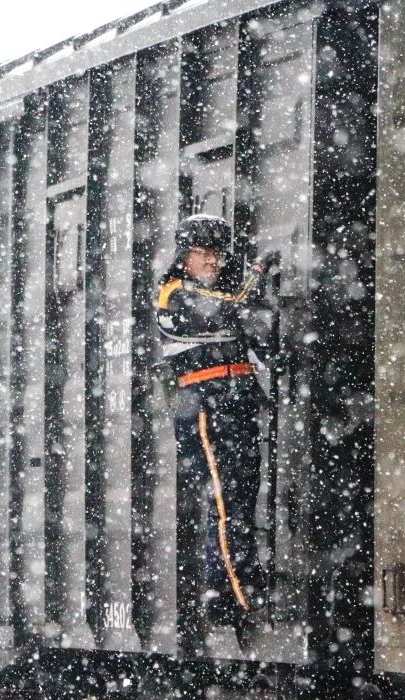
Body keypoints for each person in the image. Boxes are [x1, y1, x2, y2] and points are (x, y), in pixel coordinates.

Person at [155, 214, 279, 650]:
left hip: (236, 401)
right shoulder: (174, 293)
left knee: (242, 499)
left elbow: (257, 329)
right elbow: (227, 312)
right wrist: (259, 276)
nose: (211, 261)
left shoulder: (217, 289)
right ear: (184, 257)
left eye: (216, 254)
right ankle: (241, 597)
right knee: (227, 506)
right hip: (206, 406)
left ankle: (227, 594)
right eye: (202, 253)